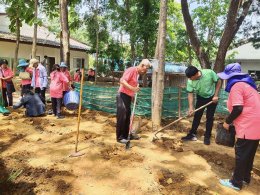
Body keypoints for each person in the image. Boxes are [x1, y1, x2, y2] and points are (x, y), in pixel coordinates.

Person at [217, 63, 260, 191]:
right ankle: (245, 178)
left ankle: (236, 183)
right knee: (249, 154)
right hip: (256, 125)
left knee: (241, 154)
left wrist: (227, 121)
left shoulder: (236, 86)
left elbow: (238, 109)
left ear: (231, 77)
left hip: (247, 125)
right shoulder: (248, 86)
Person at [181, 65, 222, 145]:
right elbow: (190, 93)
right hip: (201, 98)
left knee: (209, 117)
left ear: (196, 74)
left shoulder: (209, 73)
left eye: (190, 77)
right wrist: (191, 107)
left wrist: (216, 95)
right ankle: (192, 134)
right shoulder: (190, 81)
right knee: (197, 116)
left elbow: (219, 81)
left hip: (212, 98)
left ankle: (207, 136)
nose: (189, 79)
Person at [116, 59, 151, 144]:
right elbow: (122, 81)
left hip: (128, 96)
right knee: (122, 116)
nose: (145, 72)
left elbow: (132, 85)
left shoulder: (137, 74)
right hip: (122, 95)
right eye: (145, 69)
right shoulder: (131, 70)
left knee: (128, 116)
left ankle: (127, 135)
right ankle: (120, 137)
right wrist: (133, 89)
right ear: (142, 65)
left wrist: (132, 97)